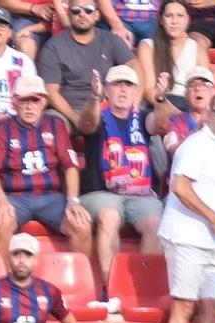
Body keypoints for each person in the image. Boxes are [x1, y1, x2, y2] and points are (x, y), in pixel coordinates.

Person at [158, 89, 215, 323]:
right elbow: (180, 186)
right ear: (208, 114)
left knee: (211, 307)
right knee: (183, 307)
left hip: (208, 241)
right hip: (185, 237)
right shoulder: (197, 145)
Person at [77, 64, 164, 296]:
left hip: (140, 193)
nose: (123, 90)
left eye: (128, 85)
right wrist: (94, 99)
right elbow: (86, 124)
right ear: (106, 90)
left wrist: (161, 98)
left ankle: (143, 291)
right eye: (117, 84)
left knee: (156, 224)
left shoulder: (143, 117)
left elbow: (162, 124)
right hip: (100, 192)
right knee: (109, 216)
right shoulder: (98, 113)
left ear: (136, 91)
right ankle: (110, 288)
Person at [0, 75, 94, 257]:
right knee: (1, 224)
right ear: (14, 102)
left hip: (50, 197)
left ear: (43, 101)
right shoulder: (0, 129)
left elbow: (70, 166)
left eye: (35, 100)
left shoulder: (56, 125)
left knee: (81, 224)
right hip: (15, 197)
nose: (29, 106)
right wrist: (0, 200)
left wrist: (73, 201)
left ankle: (82, 282)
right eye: (24, 100)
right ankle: (4, 281)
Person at [35, 1, 132, 129]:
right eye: (76, 10)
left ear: (97, 15)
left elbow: (134, 66)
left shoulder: (111, 40)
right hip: (68, 110)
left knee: (140, 121)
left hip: (104, 107)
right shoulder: (53, 46)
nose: (82, 14)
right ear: (69, 14)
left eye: (89, 10)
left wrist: (132, 101)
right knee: (52, 125)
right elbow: (51, 92)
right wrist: (76, 119)